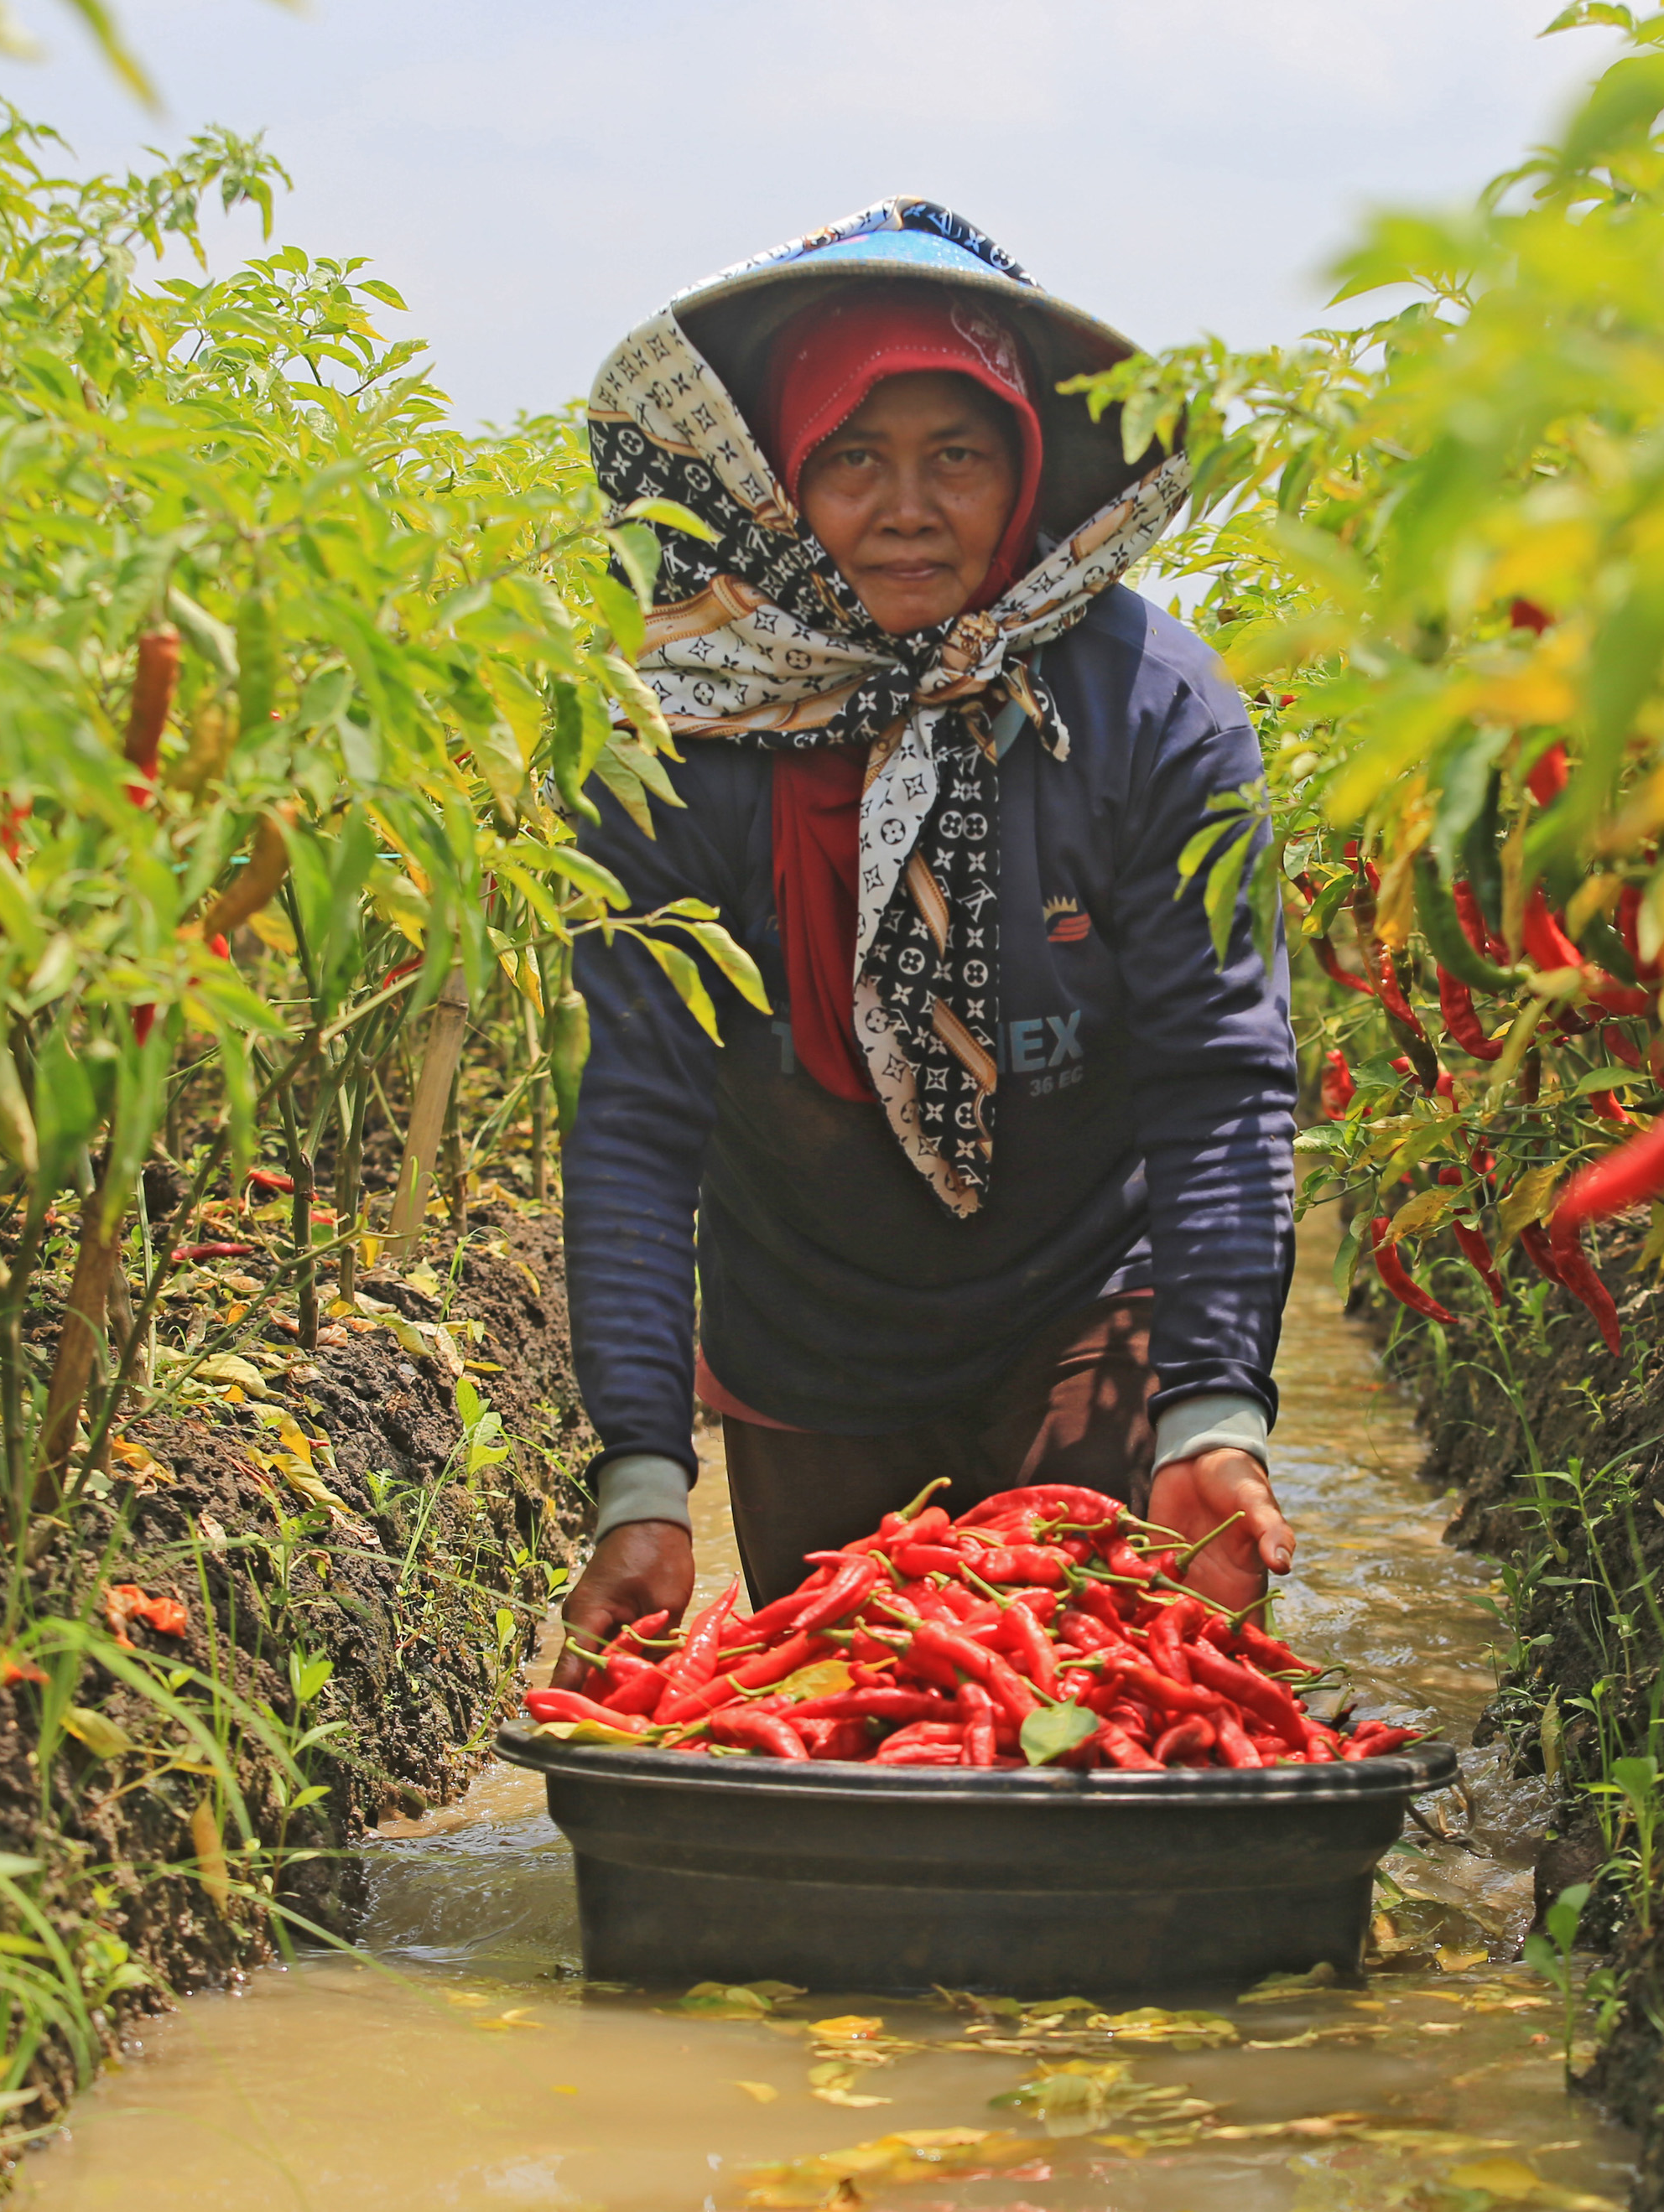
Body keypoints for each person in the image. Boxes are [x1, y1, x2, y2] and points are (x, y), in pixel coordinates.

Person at [550, 201, 1298, 1681]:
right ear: (778, 482)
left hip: (1093, 1293)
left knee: (1105, 1702)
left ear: (1024, 472)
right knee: (852, 1701)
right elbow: (635, 1111)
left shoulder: (1149, 708)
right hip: (807, 1329)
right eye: (853, 460)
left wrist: (1215, 1414)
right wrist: (643, 1469)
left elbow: (1221, 1075)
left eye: (956, 455)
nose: (907, 507)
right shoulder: (681, 734)